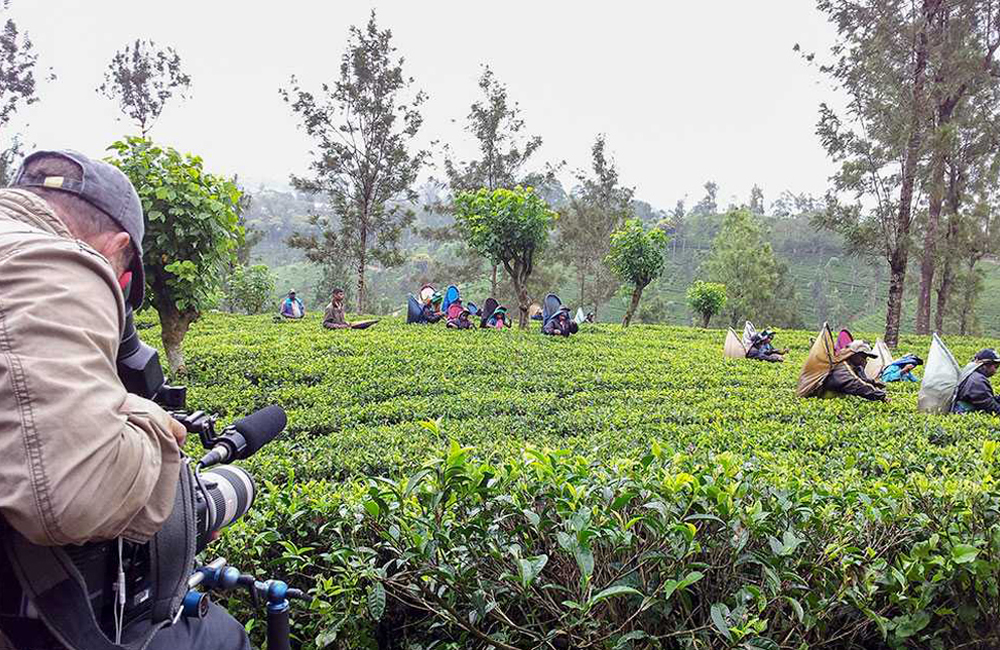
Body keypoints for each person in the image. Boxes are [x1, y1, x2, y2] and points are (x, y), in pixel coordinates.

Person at [0, 151, 248, 649]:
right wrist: (154, 427)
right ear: (118, 249)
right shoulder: (54, 261)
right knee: (219, 637)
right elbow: (71, 495)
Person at [821, 340, 887, 401]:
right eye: (862, 357)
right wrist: (881, 396)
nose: (864, 361)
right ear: (853, 354)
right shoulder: (841, 366)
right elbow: (855, 383)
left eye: (866, 358)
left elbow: (862, 378)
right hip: (826, 397)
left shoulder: (855, 366)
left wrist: (874, 383)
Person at [952, 349, 1000, 415]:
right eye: (996, 367)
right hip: (963, 413)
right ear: (985, 365)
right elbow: (990, 406)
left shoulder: (973, 375)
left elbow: (986, 399)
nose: (996, 371)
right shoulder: (977, 381)